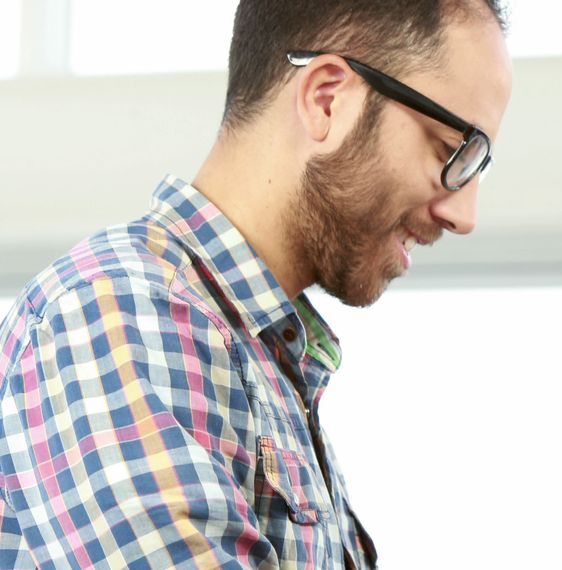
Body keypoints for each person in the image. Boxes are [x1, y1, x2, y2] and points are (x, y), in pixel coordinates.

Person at [0, 0, 512, 567]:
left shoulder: (264, 365)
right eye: (453, 152)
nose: (464, 215)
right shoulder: (114, 316)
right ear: (326, 100)